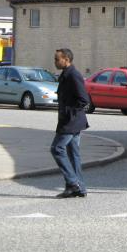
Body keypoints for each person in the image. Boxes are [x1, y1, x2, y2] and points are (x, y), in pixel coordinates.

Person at [51, 48, 90, 198]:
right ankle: (78, 189)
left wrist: (68, 112)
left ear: (66, 59)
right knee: (73, 155)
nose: (55, 61)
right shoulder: (66, 75)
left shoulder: (73, 75)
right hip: (71, 121)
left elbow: (84, 100)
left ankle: (73, 182)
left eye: (57, 59)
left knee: (57, 148)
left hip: (71, 122)